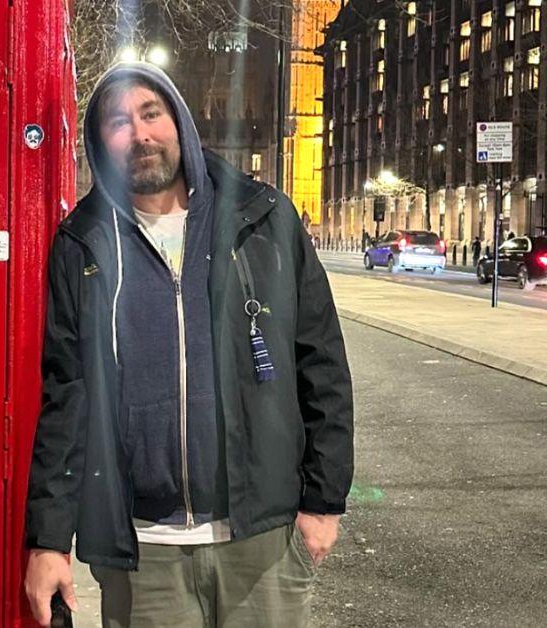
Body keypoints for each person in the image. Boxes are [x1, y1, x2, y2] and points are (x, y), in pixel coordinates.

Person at [24, 62, 355, 628]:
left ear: (179, 121)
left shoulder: (264, 219)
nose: (141, 134)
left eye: (151, 114)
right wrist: (48, 539)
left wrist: (324, 503)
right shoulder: (83, 242)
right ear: (100, 142)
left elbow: (321, 363)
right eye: (119, 122)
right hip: (143, 548)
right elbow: (67, 395)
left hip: (262, 537)